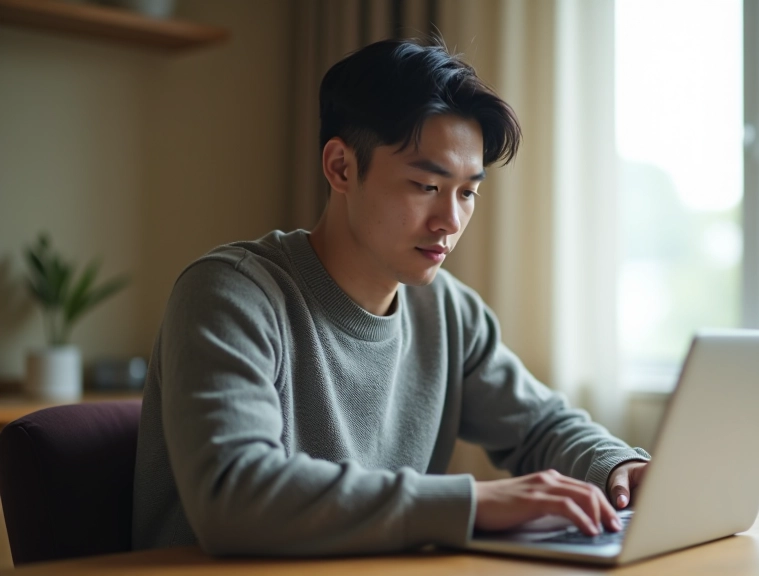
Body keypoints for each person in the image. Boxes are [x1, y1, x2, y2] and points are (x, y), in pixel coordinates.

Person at [132, 38, 650, 557]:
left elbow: (540, 425)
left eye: (468, 192)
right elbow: (234, 496)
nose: (450, 220)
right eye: (427, 185)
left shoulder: (449, 312)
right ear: (340, 168)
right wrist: (471, 504)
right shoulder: (230, 294)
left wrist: (616, 466)